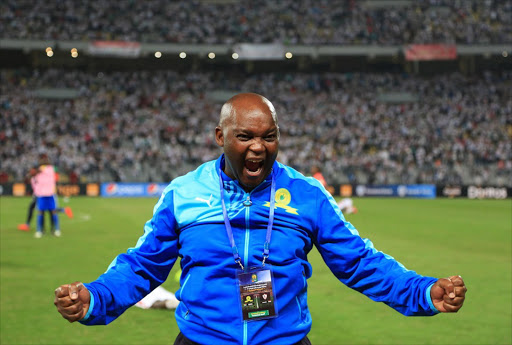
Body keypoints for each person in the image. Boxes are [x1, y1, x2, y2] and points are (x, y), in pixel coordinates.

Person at [54, 93, 466, 345]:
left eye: (268, 137)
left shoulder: (307, 195)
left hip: (285, 342)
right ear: (220, 137)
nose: (258, 148)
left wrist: (424, 292)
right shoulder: (184, 193)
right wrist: (96, 297)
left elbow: (359, 262)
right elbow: (143, 265)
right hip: (202, 342)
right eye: (245, 136)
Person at [17, 165, 73, 231]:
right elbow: (33, 186)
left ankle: (33, 227)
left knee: (46, 209)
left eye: (32, 171)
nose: (31, 172)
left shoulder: (40, 177)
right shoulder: (33, 178)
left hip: (42, 195)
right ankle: (64, 211)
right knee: (42, 209)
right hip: (38, 195)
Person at [32, 154, 63, 238]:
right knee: (44, 212)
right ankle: (42, 230)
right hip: (43, 194)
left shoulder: (51, 169)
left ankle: (53, 229)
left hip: (48, 194)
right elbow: (33, 174)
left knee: (48, 212)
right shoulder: (44, 169)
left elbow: (56, 171)